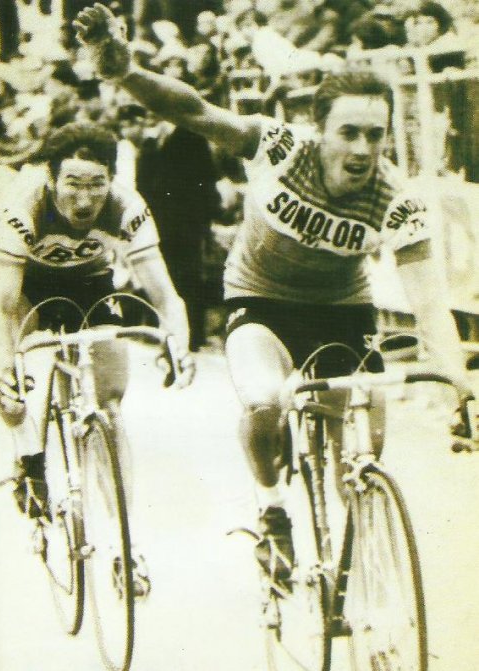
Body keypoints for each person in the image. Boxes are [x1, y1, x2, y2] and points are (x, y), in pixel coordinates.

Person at [73, 4, 474, 583]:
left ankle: (359, 568)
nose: (362, 149)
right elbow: (193, 110)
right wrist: (124, 71)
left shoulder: (397, 200)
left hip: (343, 312)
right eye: (348, 133)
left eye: (375, 135)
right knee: (264, 401)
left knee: (363, 448)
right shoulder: (281, 148)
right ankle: (272, 508)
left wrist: (460, 383)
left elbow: (431, 306)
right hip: (261, 302)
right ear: (320, 129)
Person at [0, 121, 194, 517]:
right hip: (26, 284)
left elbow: (164, 294)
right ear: (51, 178)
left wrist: (178, 343)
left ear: (112, 180)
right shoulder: (24, 205)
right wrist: (5, 367)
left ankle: (122, 536)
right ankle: (29, 457)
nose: (85, 199)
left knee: (110, 401)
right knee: (1, 383)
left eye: (97, 185)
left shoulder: (126, 206)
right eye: (73, 184)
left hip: (91, 282)